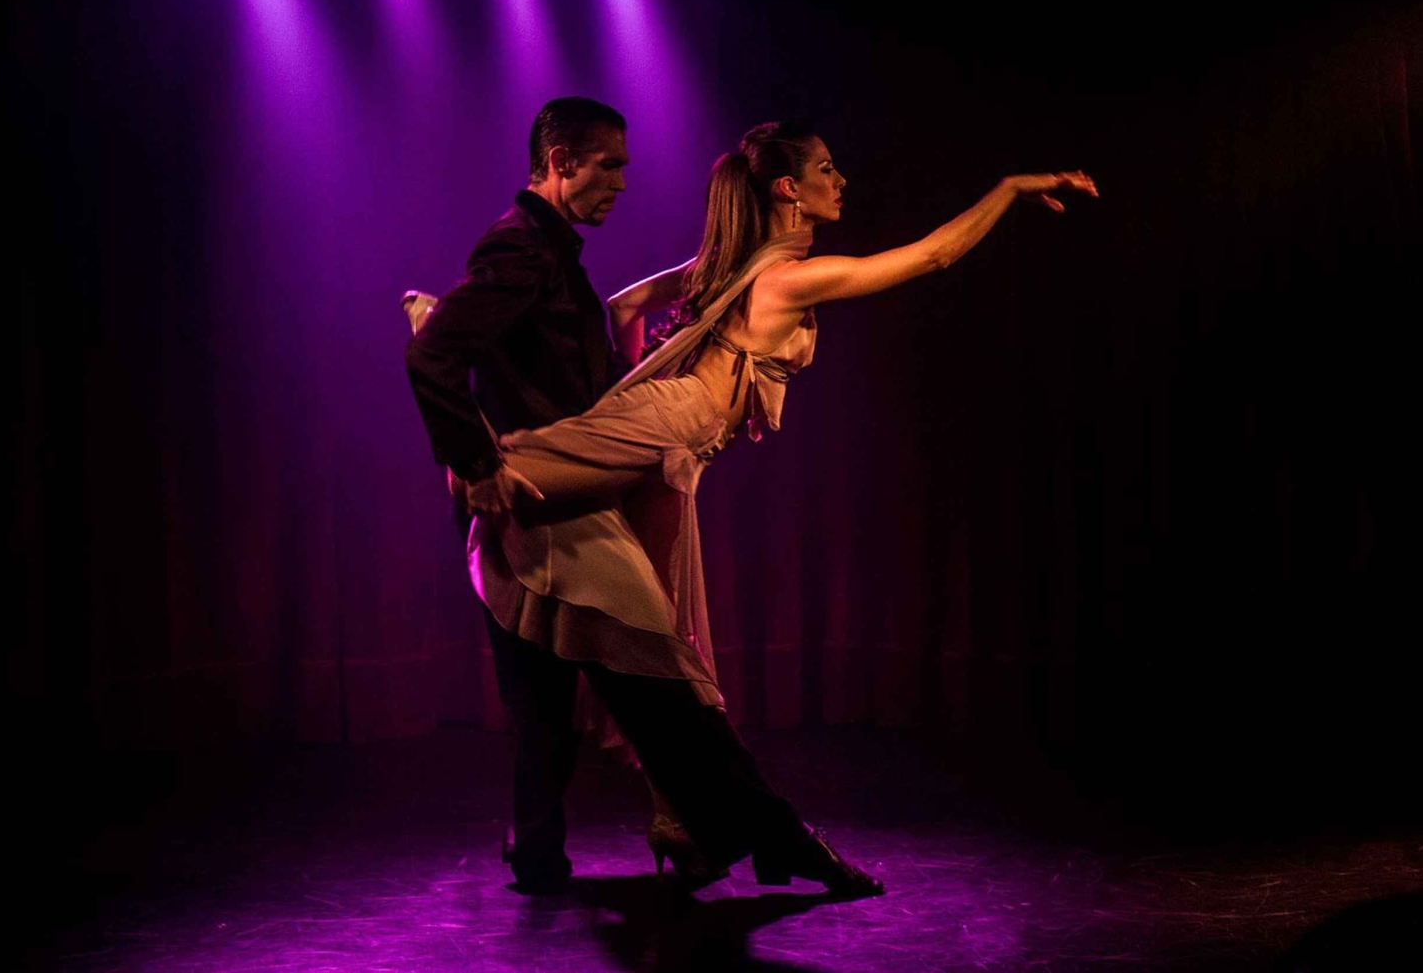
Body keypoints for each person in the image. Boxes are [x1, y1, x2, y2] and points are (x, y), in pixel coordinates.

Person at [456, 120, 1097, 898]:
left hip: (675, 459)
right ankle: (457, 396)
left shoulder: (733, 266)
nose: (842, 180)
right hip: (674, 422)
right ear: (789, 188)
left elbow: (624, 306)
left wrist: (635, 376)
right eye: (827, 168)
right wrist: (1010, 190)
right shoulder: (788, 279)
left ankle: (679, 822)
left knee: (668, 645)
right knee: (514, 468)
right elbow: (931, 256)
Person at [406, 96, 658, 894]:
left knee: (554, 688)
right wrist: (479, 465)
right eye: (609, 165)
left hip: (554, 496)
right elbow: (433, 355)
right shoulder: (521, 248)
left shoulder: (551, 253)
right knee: (550, 686)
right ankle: (542, 848)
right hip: (521, 502)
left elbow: (560, 375)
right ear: (559, 162)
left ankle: (539, 846)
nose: (622, 182)